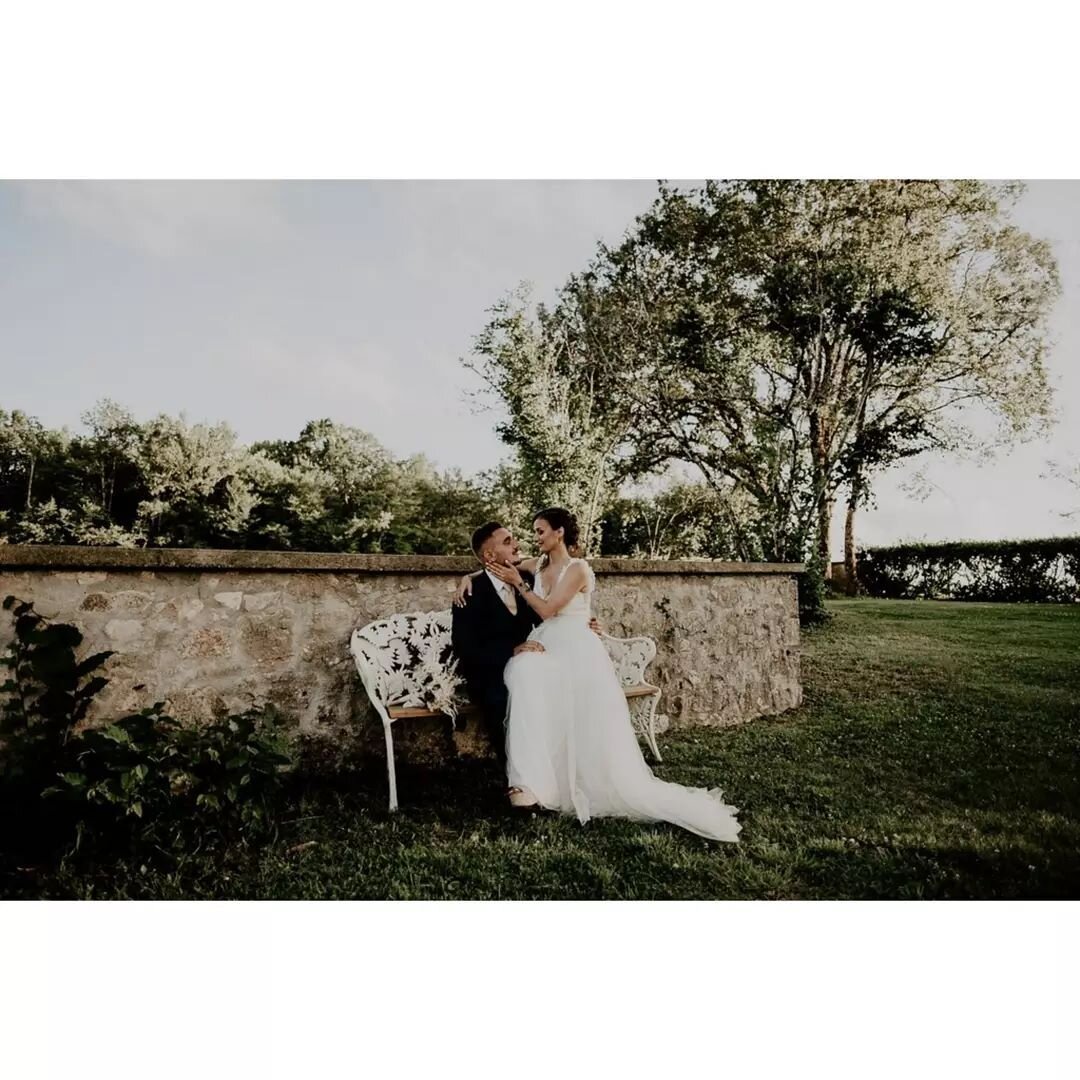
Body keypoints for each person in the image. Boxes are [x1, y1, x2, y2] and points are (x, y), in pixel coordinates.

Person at [456, 507, 741, 843]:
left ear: (559, 532)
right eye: (532, 533)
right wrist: (468, 578)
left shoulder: (577, 568)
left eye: (540, 531)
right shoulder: (539, 565)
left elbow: (547, 609)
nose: (534, 538)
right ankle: (530, 785)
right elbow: (495, 567)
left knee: (575, 711)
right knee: (527, 675)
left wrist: (523, 587)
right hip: (547, 644)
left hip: (576, 648)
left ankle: (579, 779)